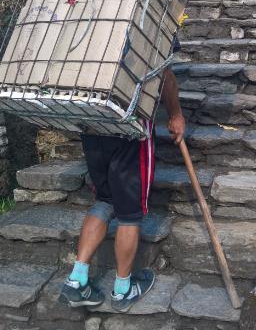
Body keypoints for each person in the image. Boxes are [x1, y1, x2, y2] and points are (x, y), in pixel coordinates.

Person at [59, 65, 185, 313]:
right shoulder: (152, 26)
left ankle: (77, 280)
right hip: (131, 127)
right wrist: (175, 115)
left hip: (93, 120)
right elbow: (165, 73)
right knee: (130, 212)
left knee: (105, 200)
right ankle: (123, 289)